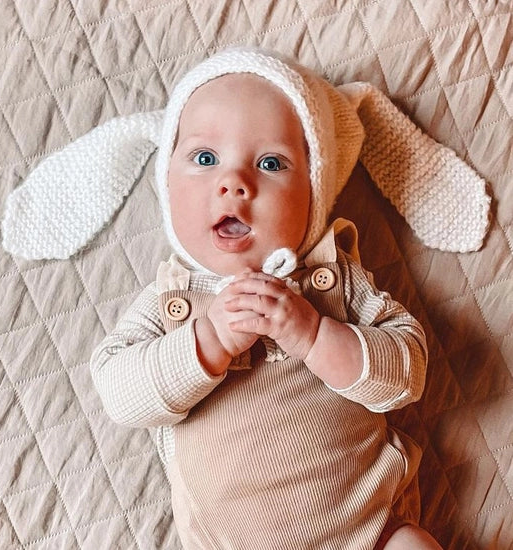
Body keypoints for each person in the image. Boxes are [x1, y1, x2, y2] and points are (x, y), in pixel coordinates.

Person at [90, 48, 444, 549]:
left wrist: (316, 335)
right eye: (205, 159)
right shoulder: (173, 301)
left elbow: (407, 372)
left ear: (315, 189)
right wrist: (208, 339)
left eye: (271, 162)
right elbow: (119, 394)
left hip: (369, 534)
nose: (234, 183)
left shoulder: (329, 281)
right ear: (167, 183)